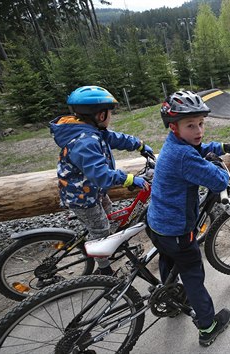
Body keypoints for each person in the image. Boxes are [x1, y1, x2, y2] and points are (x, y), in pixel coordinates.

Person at [146, 90, 230, 347]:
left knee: (168, 258)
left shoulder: (175, 144)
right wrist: (214, 164)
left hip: (157, 224)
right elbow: (218, 179)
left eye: (201, 123)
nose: (198, 130)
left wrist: (221, 147)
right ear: (174, 126)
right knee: (193, 275)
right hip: (177, 230)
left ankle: (171, 298)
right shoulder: (183, 156)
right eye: (191, 125)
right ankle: (208, 326)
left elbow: (198, 148)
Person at [50, 85, 153, 276]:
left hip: (92, 191)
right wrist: (130, 179)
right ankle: (105, 271)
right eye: (109, 113)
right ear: (100, 115)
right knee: (101, 231)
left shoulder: (90, 131)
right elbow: (101, 175)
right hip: (82, 197)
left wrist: (138, 145)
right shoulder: (84, 141)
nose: (110, 117)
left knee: (109, 215)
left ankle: (109, 244)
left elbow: (113, 138)